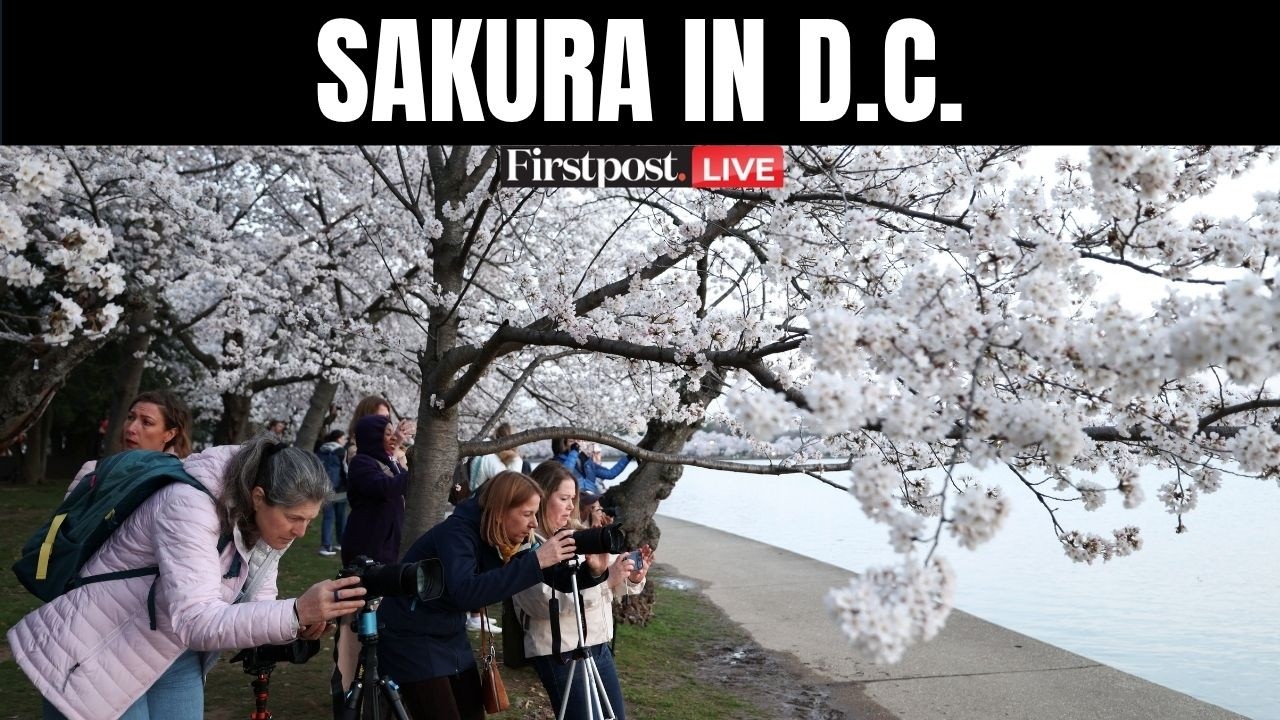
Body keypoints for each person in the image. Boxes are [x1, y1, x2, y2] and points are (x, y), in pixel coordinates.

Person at [8, 435, 370, 720]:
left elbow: (258, 604)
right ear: (258, 497)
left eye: (310, 519)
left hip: (172, 651)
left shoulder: (264, 522)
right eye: (295, 518)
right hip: (96, 650)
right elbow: (198, 621)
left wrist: (298, 622)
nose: (302, 531)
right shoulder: (188, 504)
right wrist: (294, 612)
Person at [374, 470, 581, 720]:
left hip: (449, 632)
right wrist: (534, 562)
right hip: (411, 636)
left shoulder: (498, 536)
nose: (534, 523)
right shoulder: (456, 533)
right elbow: (466, 592)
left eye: (535, 514)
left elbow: (530, 577)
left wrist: (596, 570)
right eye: (527, 514)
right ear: (499, 511)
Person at [512, 461, 652, 720]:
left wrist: (630, 577)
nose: (569, 506)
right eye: (563, 498)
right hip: (561, 653)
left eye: (572, 499)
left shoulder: (579, 536)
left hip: (598, 644)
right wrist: (604, 581)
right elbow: (543, 605)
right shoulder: (527, 549)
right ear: (539, 498)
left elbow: (608, 583)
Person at [69, 390, 195, 497]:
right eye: (130, 417)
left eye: (147, 422)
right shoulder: (94, 471)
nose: (131, 429)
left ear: (169, 434)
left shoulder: (179, 482)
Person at [464, 422, 526, 631]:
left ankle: (478, 614)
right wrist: (516, 460)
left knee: (479, 562)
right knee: (482, 564)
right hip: (481, 516)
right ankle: (475, 616)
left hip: (476, 511)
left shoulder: (484, 455)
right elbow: (512, 483)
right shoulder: (491, 458)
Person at [340, 414, 408, 567]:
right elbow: (385, 488)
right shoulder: (361, 462)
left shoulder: (390, 462)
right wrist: (416, 474)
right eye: (388, 434)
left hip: (388, 543)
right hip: (367, 542)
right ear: (373, 437)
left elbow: (404, 480)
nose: (394, 439)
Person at [552, 438, 633, 495]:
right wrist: (574, 451)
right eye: (571, 441)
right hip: (575, 496)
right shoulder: (557, 462)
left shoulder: (586, 462)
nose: (575, 444)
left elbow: (610, 474)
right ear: (563, 444)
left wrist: (628, 457)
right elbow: (566, 472)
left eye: (577, 441)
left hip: (590, 497)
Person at [315, 429, 348, 557]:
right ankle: (340, 542)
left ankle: (325, 545)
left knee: (328, 517)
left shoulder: (322, 449)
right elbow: (345, 469)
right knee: (341, 517)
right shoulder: (341, 451)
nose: (345, 440)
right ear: (339, 439)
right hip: (340, 489)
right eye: (343, 438)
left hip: (325, 488)